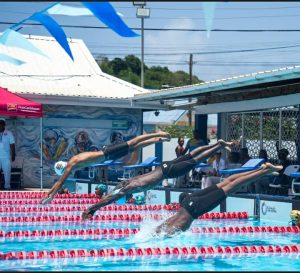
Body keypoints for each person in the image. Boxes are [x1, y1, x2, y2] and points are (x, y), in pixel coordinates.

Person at [82, 139, 238, 220]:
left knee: (195, 160)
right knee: (190, 155)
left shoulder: (128, 189)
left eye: (125, 198)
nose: (128, 198)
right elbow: (113, 193)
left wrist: (92, 209)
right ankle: (217, 143)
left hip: (167, 172)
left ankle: (219, 146)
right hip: (164, 166)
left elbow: (109, 198)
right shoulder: (129, 182)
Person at [40, 131, 171, 204]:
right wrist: (50, 194)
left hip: (107, 153)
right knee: (134, 147)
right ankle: (159, 139)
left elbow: (59, 182)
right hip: (107, 155)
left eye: (64, 173)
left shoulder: (71, 165)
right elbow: (59, 182)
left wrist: (49, 195)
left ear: (63, 169)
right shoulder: (73, 161)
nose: (66, 174)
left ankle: (157, 134)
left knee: (133, 142)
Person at [154, 163, 283, 236]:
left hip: (195, 208)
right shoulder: (163, 226)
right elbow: (156, 229)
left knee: (232, 187)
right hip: (188, 201)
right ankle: (261, 169)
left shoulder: (167, 232)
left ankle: (265, 171)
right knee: (227, 181)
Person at [0, 118, 16, 190]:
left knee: (7, 172)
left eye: (1, 123)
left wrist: (13, 154)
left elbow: (12, 144)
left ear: (4, 124)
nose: (0, 125)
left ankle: (7, 186)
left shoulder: (9, 133)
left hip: (6, 157)